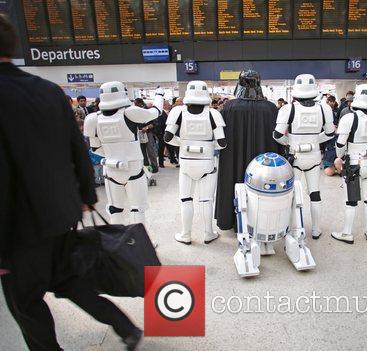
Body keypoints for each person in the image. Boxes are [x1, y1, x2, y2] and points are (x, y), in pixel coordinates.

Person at [0, 14, 142, 350]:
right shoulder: (49, 91)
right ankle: (126, 326)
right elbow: (77, 146)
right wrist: (85, 195)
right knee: (68, 280)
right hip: (63, 214)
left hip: (20, 227)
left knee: (26, 301)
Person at [83, 81, 164, 224]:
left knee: (115, 209)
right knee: (137, 209)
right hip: (133, 169)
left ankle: (118, 244)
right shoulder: (130, 112)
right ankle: (140, 244)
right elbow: (155, 112)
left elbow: (95, 149)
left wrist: (111, 156)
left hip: (111, 170)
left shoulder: (92, 119)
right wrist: (159, 95)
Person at [215, 70, 284, 231]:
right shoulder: (271, 109)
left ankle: (231, 219)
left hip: (234, 158)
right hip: (265, 162)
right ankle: (263, 222)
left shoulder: (230, 107)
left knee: (232, 181)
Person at [274, 74, 335, 239]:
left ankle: (294, 228)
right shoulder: (325, 108)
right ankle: (316, 229)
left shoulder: (288, 109)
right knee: (315, 193)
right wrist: (315, 141)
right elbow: (330, 133)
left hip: (295, 156)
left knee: (293, 194)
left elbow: (277, 135)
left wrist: (290, 142)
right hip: (314, 157)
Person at [165, 80, 226, 245]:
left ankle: (186, 234)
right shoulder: (213, 114)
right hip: (206, 162)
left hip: (185, 162)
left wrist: (184, 144)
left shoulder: (177, 112)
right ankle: (208, 233)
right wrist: (206, 146)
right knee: (206, 200)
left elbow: (167, 137)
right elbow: (222, 143)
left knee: (185, 199)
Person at [331, 84, 367, 243]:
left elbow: (340, 145)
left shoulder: (349, 118)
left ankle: (347, 233)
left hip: (353, 163)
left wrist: (339, 158)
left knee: (351, 200)